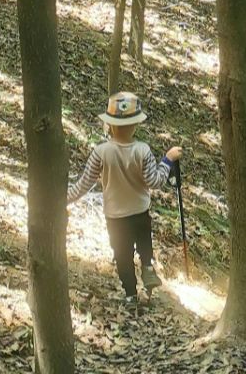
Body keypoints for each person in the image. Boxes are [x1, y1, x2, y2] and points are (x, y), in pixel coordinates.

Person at [68, 86, 181, 305]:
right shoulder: (143, 150)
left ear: (109, 124)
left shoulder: (101, 152)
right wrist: (167, 160)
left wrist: (63, 199)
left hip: (115, 216)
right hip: (140, 211)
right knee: (144, 243)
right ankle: (147, 267)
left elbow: (84, 183)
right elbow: (155, 182)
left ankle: (130, 294)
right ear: (137, 124)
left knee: (122, 255)